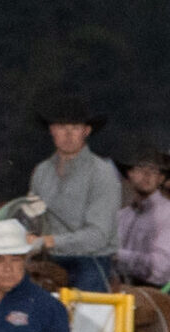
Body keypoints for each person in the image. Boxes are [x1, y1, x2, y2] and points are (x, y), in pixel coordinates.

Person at [23, 95, 123, 292]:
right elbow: (31, 217)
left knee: (86, 311)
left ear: (86, 131)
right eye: (61, 127)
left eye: (75, 127)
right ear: (52, 130)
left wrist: (47, 241)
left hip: (89, 260)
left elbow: (98, 236)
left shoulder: (102, 173)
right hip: (47, 258)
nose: (68, 134)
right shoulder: (42, 171)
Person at [114, 151, 170, 287]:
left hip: (164, 298)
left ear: (161, 178)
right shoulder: (121, 217)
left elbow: (160, 269)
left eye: (154, 170)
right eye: (140, 168)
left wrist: (116, 255)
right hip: (127, 292)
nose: (147, 174)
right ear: (129, 174)